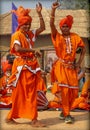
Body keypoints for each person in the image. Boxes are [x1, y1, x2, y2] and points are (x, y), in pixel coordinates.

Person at [5, 3, 46, 127]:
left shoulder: (29, 34)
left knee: (31, 92)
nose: (27, 26)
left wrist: (39, 14)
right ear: (20, 25)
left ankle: (31, 118)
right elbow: (17, 48)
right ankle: (16, 117)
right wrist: (33, 51)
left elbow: (42, 28)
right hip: (21, 67)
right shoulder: (17, 35)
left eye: (28, 24)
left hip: (30, 66)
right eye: (24, 24)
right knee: (20, 93)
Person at [50, 0, 86, 123]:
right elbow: (51, 25)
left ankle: (64, 111)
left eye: (66, 26)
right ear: (60, 27)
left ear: (69, 27)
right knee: (64, 91)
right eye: (63, 26)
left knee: (73, 92)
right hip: (61, 66)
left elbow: (82, 50)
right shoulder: (57, 36)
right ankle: (67, 115)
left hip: (72, 68)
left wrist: (79, 63)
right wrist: (53, 10)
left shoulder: (76, 37)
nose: (64, 28)